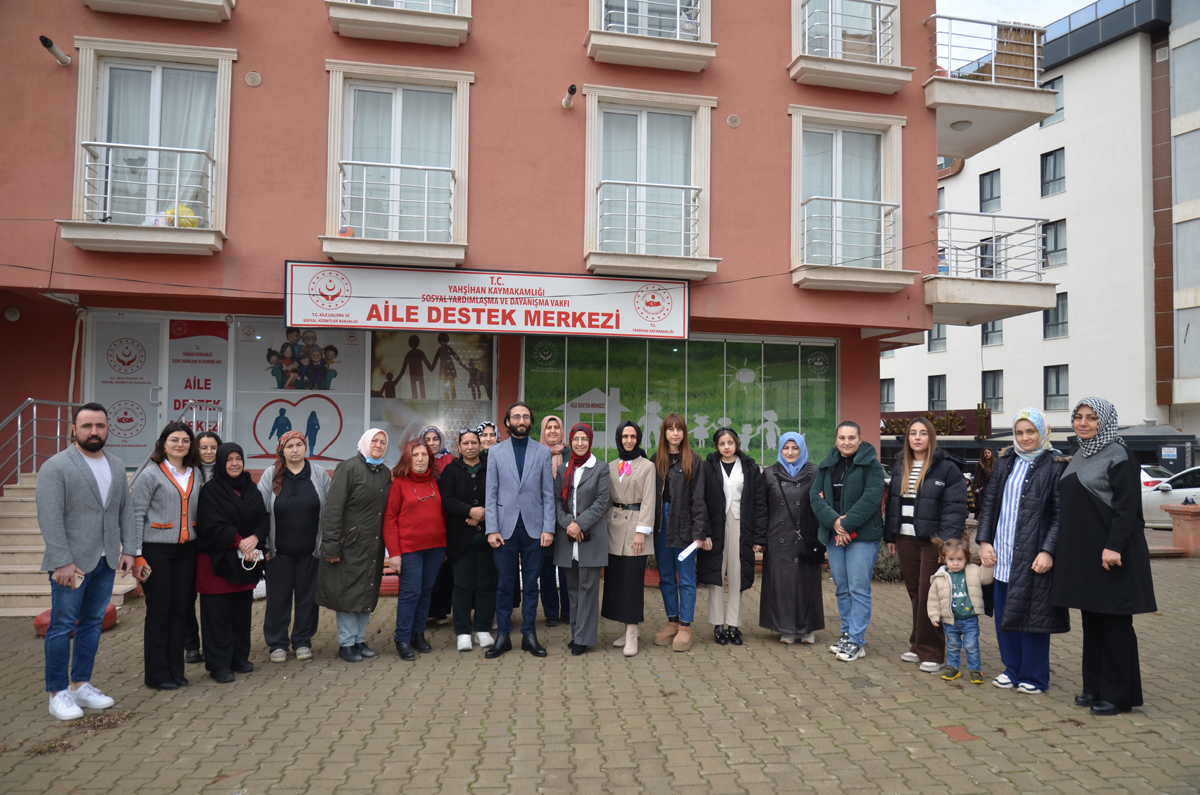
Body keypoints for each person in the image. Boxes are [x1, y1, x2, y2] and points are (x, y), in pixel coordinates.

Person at [1052, 398, 1156, 715]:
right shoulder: (1081, 454)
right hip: (1085, 557)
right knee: (1093, 622)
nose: (1083, 423)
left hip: (1113, 555)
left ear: (1105, 421)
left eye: (1091, 418)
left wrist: (1113, 546)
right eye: (1078, 417)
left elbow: (1127, 510)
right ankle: (1094, 687)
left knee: (1115, 625)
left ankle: (1119, 695)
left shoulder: (1119, 454)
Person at [35, 403, 135, 720]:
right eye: (87, 426)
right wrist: (62, 560)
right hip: (72, 565)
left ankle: (80, 685)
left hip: (106, 562)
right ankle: (58, 693)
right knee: (63, 626)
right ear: (73, 429)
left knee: (92, 624)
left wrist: (129, 549)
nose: (94, 431)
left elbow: (125, 511)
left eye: (100, 426)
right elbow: (49, 518)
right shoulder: (56, 466)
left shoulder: (117, 465)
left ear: (108, 429)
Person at [976, 408, 1070, 694]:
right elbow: (990, 504)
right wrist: (983, 541)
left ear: (1043, 432)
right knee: (1006, 613)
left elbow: (1060, 514)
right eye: (1019, 432)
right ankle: (1012, 669)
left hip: (1033, 554)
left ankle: (1035, 676)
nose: (1025, 437)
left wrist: (1049, 550)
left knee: (1033, 617)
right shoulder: (1006, 461)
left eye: (1031, 431)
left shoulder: (1056, 464)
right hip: (1002, 551)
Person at [885, 417, 968, 673]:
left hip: (932, 542)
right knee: (914, 594)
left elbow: (954, 510)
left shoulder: (947, 468)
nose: (917, 437)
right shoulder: (901, 464)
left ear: (931, 438)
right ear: (907, 438)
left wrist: (945, 545)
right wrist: (891, 535)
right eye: (912, 433)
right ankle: (917, 644)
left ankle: (933, 651)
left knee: (929, 595)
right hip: (905, 537)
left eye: (923, 433)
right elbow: (893, 503)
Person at [130, 421, 200, 690]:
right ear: (163, 444)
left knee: (180, 610)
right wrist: (136, 554)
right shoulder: (151, 474)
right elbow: (137, 515)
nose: (180, 444)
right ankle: (157, 675)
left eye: (185, 440)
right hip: (156, 550)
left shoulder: (196, 474)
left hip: (186, 551)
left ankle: (176, 670)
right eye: (174, 440)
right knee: (159, 611)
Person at [484, 402, 555, 659]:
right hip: (504, 529)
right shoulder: (496, 452)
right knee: (504, 584)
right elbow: (490, 493)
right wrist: (491, 529)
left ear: (531, 421)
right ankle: (502, 636)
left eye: (526, 416)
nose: (521, 420)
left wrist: (549, 528)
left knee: (532, 585)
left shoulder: (542, 452)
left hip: (535, 530)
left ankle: (529, 634)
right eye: (516, 416)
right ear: (507, 422)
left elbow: (548, 494)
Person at [811, 421, 886, 661]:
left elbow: (871, 499)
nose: (846, 442)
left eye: (851, 437)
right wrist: (835, 522)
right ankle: (847, 632)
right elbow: (816, 497)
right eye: (842, 437)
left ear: (860, 438)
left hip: (862, 537)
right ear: (836, 440)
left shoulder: (872, 465)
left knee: (858, 588)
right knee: (842, 588)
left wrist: (845, 524)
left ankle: (857, 640)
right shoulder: (827, 465)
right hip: (835, 536)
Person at [316, 429, 392, 663]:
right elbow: (333, 509)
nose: (378, 445)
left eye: (383, 442)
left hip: (373, 545)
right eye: (375, 441)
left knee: (366, 591)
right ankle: (346, 644)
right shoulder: (349, 468)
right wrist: (330, 546)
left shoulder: (385, 472)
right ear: (365, 443)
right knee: (348, 594)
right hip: (350, 544)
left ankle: (359, 640)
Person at [195, 443, 269, 684]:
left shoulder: (251, 488)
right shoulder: (210, 490)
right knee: (216, 616)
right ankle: (218, 665)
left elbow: (263, 517)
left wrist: (255, 537)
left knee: (240, 614)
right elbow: (210, 525)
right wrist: (240, 542)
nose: (235, 463)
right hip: (217, 563)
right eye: (229, 460)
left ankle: (239, 657)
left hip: (244, 561)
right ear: (220, 463)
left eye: (238, 458)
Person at [258, 431, 331, 664]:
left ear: (305, 447)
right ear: (282, 450)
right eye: (290, 446)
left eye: (299, 444)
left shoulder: (318, 474)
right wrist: (263, 545)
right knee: (278, 600)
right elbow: (259, 511)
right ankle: (277, 643)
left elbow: (329, 510)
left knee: (307, 600)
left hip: (311, 551)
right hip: (278, 552)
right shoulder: (271, 474)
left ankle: (302, 641)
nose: (295, 449)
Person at [699, 428, 766, 647]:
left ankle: (734, 625)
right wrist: (705, 532)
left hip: (741, 525)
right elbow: (701, 501)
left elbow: (759, 504)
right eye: (721, 443)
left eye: (730, 442)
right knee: (717, 575)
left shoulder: (750, 467)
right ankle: (718, 625)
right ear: (716, 446)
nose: (726, 447)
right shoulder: (708, 466)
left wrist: (759, 537)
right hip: (716, 527)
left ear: (736, 443)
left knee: (737, 576)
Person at [384, 439, 447, 661]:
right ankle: (402, 638)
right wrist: (394, 553)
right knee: (411, 594)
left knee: (426, 592)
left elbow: (444, 514)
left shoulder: (435, 481)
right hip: (409, 549)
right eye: (416, 455)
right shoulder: (399, 484)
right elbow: (389, 520)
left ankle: (418, 634)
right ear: (408, 459)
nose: (420, 459)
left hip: (436, 548)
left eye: (424, 455)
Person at [759, 432, 824, 646]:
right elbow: (762, 508)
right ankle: (785, 628)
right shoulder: (769, 473)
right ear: (780, 449)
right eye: (786, 448)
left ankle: (807, 629)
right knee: (781, 585)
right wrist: (760, 539)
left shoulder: (814, 472)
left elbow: (822, 504)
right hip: (778, 537)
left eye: (795, 448)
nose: (790, 452)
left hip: (806, 536)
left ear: (802, 449)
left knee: (807, 584)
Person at [652, 413, 709, 652]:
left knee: (686, 578)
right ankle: (672, 621)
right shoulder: (656, 459)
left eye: (679, 429)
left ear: (684, 433)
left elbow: (699, 499)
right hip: (661, 525)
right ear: (664, 433)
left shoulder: (694, 461)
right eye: (670, 429)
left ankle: (686, 626)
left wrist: (699, 533)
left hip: (685, 526)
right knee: (665, 577)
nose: (675, 433)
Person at [553, 424, 610, 655]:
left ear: (590, 441)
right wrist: (569, 525)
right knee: (573, 589)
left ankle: (583, 639)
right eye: (575, 438)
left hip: (590, 537)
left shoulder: (601, 468)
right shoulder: (563, 469)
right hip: (568, 539)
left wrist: (579, 524)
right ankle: (577, 634)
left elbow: (602, 502)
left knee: (588, 589)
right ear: (571, 441)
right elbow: (557, 502)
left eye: (584, 439)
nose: (579, 443)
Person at [603, 421, 656, 657]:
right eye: (624, 436)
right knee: (617, 581)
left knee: (632, 582)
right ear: (618, 438)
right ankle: (624, 629)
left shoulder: (647, 466)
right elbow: (605, 500)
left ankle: (633, 631)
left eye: (633, 436)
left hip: (635, 530)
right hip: (614, 529)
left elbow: (649, 501)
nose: (629, 440)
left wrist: (641, 532)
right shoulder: (611, 466)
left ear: (638, 438)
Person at [440, 429, 496, 652]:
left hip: (488, 539)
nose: (471, 446)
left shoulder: (491, 467)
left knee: (486, 586)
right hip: (460, 541)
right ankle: (463, 632)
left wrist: (483, 514)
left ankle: (483, 629)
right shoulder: (451, 470)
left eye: (474, 442)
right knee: (462, 586)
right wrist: (469, 512)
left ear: (480, 444)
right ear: (459, 446)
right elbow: (447, 500)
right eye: (466, 443)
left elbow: (500, 495)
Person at [927, 538, 993, 684]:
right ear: (944, 559)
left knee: (971, 646)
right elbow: (933, 599)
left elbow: (987, 579)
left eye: (959, 559)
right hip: (950, 621)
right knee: (952, 645)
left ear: (966, 558)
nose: (955, 563)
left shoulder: (973, 571)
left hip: (970, 619)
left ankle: (975, 670)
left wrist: (989, 565)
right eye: (951, 559)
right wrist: (934, 616)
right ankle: (953, 668)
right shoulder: (940, 578)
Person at [185, 431, 222, 665]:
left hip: (216, 543)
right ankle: (190, 644)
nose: (209, 452)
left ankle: (213, 645)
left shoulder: (227, 471)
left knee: (213, 600)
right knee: (187, 596)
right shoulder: (189, 473)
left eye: (213, 447)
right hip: (190, 541)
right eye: (203, 447)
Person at [538, 415, 571, 627]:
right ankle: (550, 613)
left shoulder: (571, 453)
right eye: (548, 427)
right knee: (546, 571)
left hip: (566, 520)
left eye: (556, 427)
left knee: (567, 571)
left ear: (561, 430)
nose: (552, 431)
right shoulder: (536, 453)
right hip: (542, 522)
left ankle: (568, 612)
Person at [974, 448, 995, 515]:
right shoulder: (980, 464)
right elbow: (977, 476)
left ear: (991, 453)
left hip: (992, 485)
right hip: (982, 486)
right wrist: (975, 487)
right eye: (985, 453)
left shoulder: (995, 463)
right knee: (981, 503)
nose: (987, 454)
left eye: (988, 453)